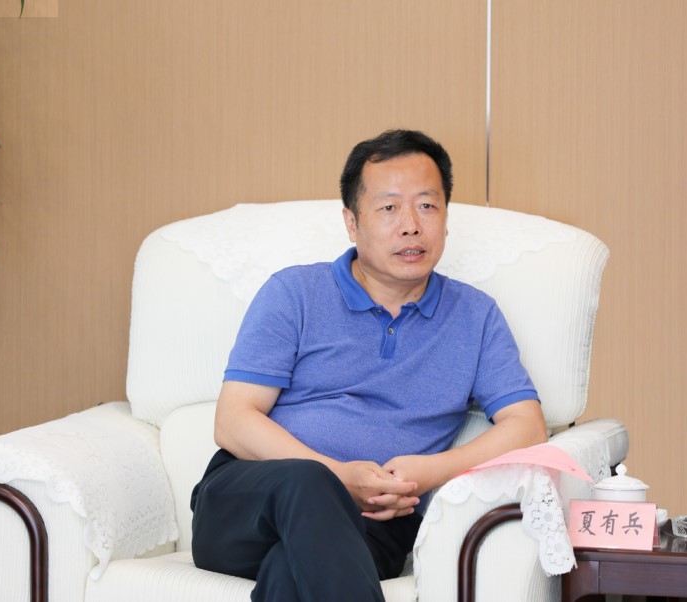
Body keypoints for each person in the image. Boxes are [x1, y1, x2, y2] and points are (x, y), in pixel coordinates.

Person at [191, 129, 548, 601]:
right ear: (351, 222)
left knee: (290, 573)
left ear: (446, 219)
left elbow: (528, 426)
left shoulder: (475, 316)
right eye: (388, 208)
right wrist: (339, 477)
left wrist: (430, 471)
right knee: (309, 482)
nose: (411, 226)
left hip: (377, 520)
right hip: (249, 500)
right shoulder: (294, 293)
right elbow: (233, 420)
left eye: (427, 205)